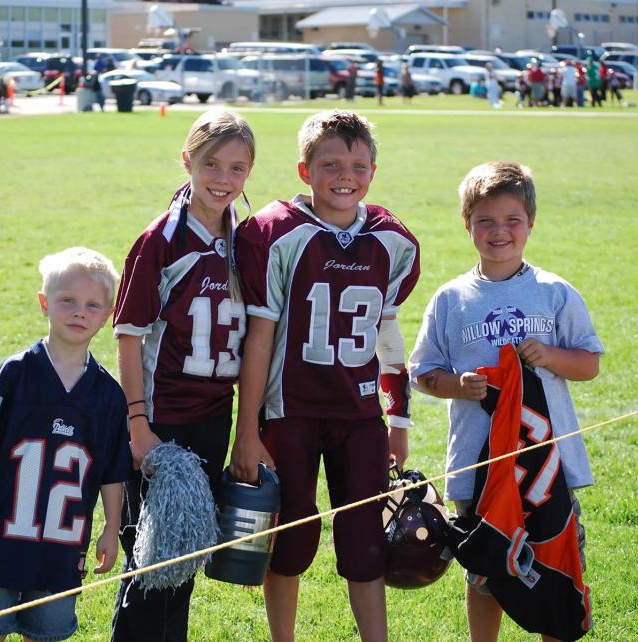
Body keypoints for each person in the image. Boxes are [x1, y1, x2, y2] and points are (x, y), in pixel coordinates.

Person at [230, 110, 420, 642]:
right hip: (291, 410)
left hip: (359, 415)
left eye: (359, 165)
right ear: (304, 169)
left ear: (373, 172)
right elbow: (259, 340)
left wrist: (398, 421)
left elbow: (388, 340)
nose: (346, 175)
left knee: (364, 544)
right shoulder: (276, 233)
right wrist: (246, 433)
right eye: (331, 163)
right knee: (290, 540)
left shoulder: (391, 241)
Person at [408, 161, 603, 642]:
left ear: (531, 223)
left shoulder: (554, 292)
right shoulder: (452, 299)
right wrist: (459, 385)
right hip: (479, 468)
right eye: (486, 221)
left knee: (554, 564)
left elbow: (590, 363)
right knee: (486, 571)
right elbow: (422, 374)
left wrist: (552, 355)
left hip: (548, 464)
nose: (500, 231)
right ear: (467, 225)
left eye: (512, 220)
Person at [109, 109, 255, 642]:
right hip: (162, 419)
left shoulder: (246, 239)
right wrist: (138, 423)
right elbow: (128, 335)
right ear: (187, 160)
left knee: (184, 562)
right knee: (151, 566)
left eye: (238, 168)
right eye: (212, 163)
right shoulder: (162, 240)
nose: (223, 178)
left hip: (212, 421)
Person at [0, 247, 131, 642]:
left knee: (45, 634)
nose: (80, 312)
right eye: (68, 301)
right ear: (45, 303)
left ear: (108, 315)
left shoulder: (109, 395)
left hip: (61, 547)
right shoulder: (15, 374)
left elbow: (113, 470)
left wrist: (112, 527)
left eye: (92, 305)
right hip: (0, 538)